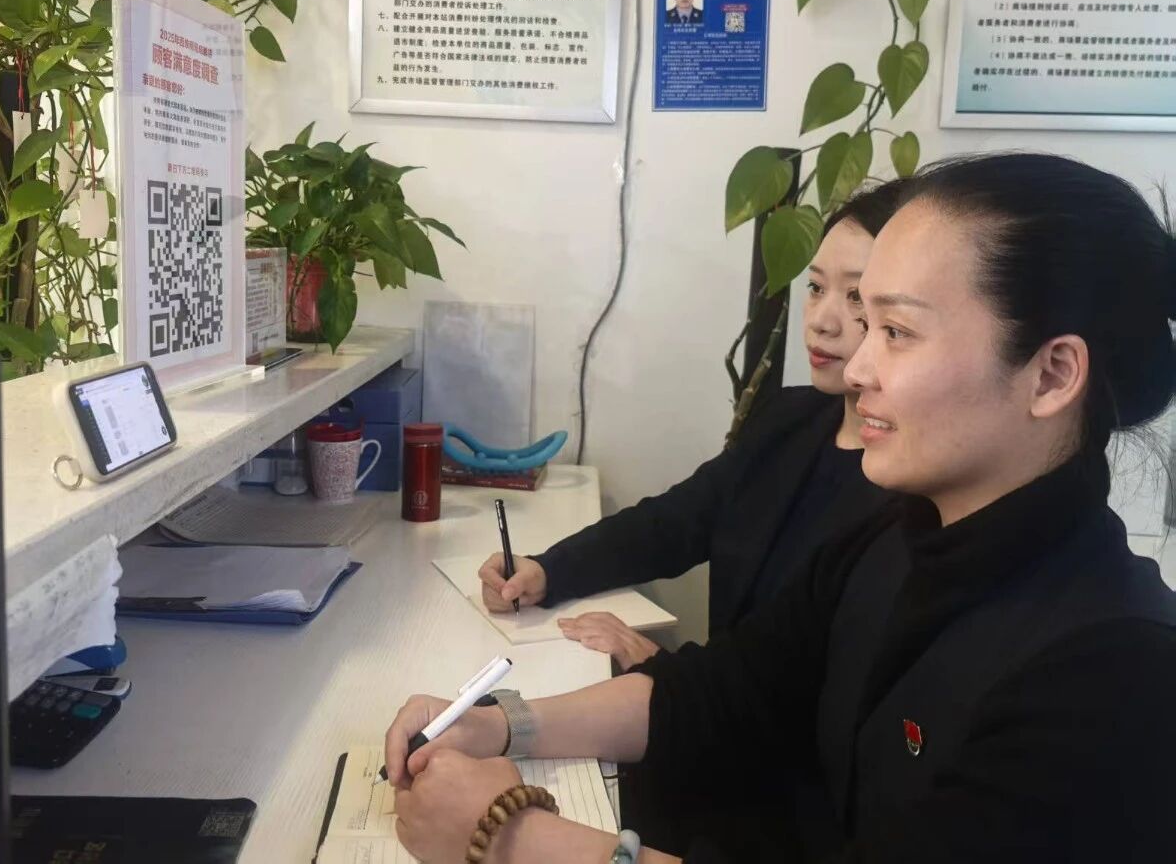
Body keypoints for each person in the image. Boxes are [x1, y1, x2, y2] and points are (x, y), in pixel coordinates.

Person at [384, 152, 1176, 863]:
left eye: (897, 330)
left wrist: (511, 836)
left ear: (1051, 374)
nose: (857, 366)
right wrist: (498, 722)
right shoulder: (894, 540)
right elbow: (722, 691)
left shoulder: (1115, 677)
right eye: (861, 318)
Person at [478, 181, 908, 672]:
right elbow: (677, 521)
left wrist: (661, 666)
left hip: (732, 713)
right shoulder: (790, 417)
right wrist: (548, 571)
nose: (821, 321)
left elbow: (824, 682)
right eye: (815, 287)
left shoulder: (909, 484)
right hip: (707, 701)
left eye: (856, 297)